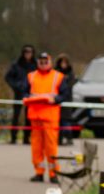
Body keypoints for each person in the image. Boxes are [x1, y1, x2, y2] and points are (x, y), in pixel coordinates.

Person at [23, 52, 72, 183]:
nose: (43, 64)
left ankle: (53, 174)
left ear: (50, 62)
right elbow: (25, 92)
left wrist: (55, 100)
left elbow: (65, 94)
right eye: (41, 61)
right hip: (35, 117)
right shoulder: (31, 76)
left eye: (46, 61)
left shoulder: (58, 77)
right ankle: (39, 172)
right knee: (36, 147)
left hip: (50, 118)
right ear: (37, 62)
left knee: (51, 147)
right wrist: (26, 97)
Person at [4, 45, 36, 144]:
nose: (28, 54)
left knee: (29, 117)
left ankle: (26, 138)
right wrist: (15, 86)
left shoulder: (35, 65)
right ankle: (13, 137)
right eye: (26, 52)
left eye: (30, 52)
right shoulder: (17, 64)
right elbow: (8, 77)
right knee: (16, 116)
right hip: (18, 93)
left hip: (30, 94)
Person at [54, 53, 76, 146]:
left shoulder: (70, 73)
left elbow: (70, 86)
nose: (63, 64)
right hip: (57, 99)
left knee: (66, 120)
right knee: (58, 120)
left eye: (65, 62)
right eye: (61, 62)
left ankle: (69, 137)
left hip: (67, 99)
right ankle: (58, 139)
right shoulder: (55, 73)